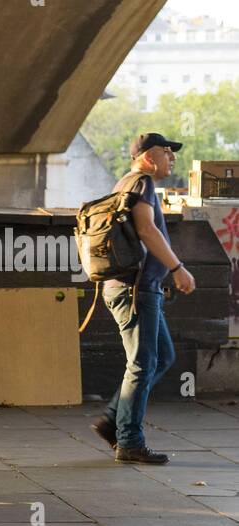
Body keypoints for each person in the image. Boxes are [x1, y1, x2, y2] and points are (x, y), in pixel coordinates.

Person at [90, 132, 197, 465]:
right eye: (167, 152)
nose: (172, 158)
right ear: (150, 156)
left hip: (134, 287)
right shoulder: (141, 183)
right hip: (135, 289)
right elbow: (148, 230)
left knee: (161, 356)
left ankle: (114, 421)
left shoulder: (125, 183)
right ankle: (130, 441)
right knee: (142, 363)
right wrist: (177, 267)